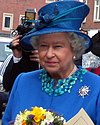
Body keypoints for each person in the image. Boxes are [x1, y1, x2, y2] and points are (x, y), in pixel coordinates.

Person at [2, 0, 100, 125]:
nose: (49, 54)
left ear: (75, 48)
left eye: (57, 46)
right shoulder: (23, 82)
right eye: (43, 46)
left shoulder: (96, 87)